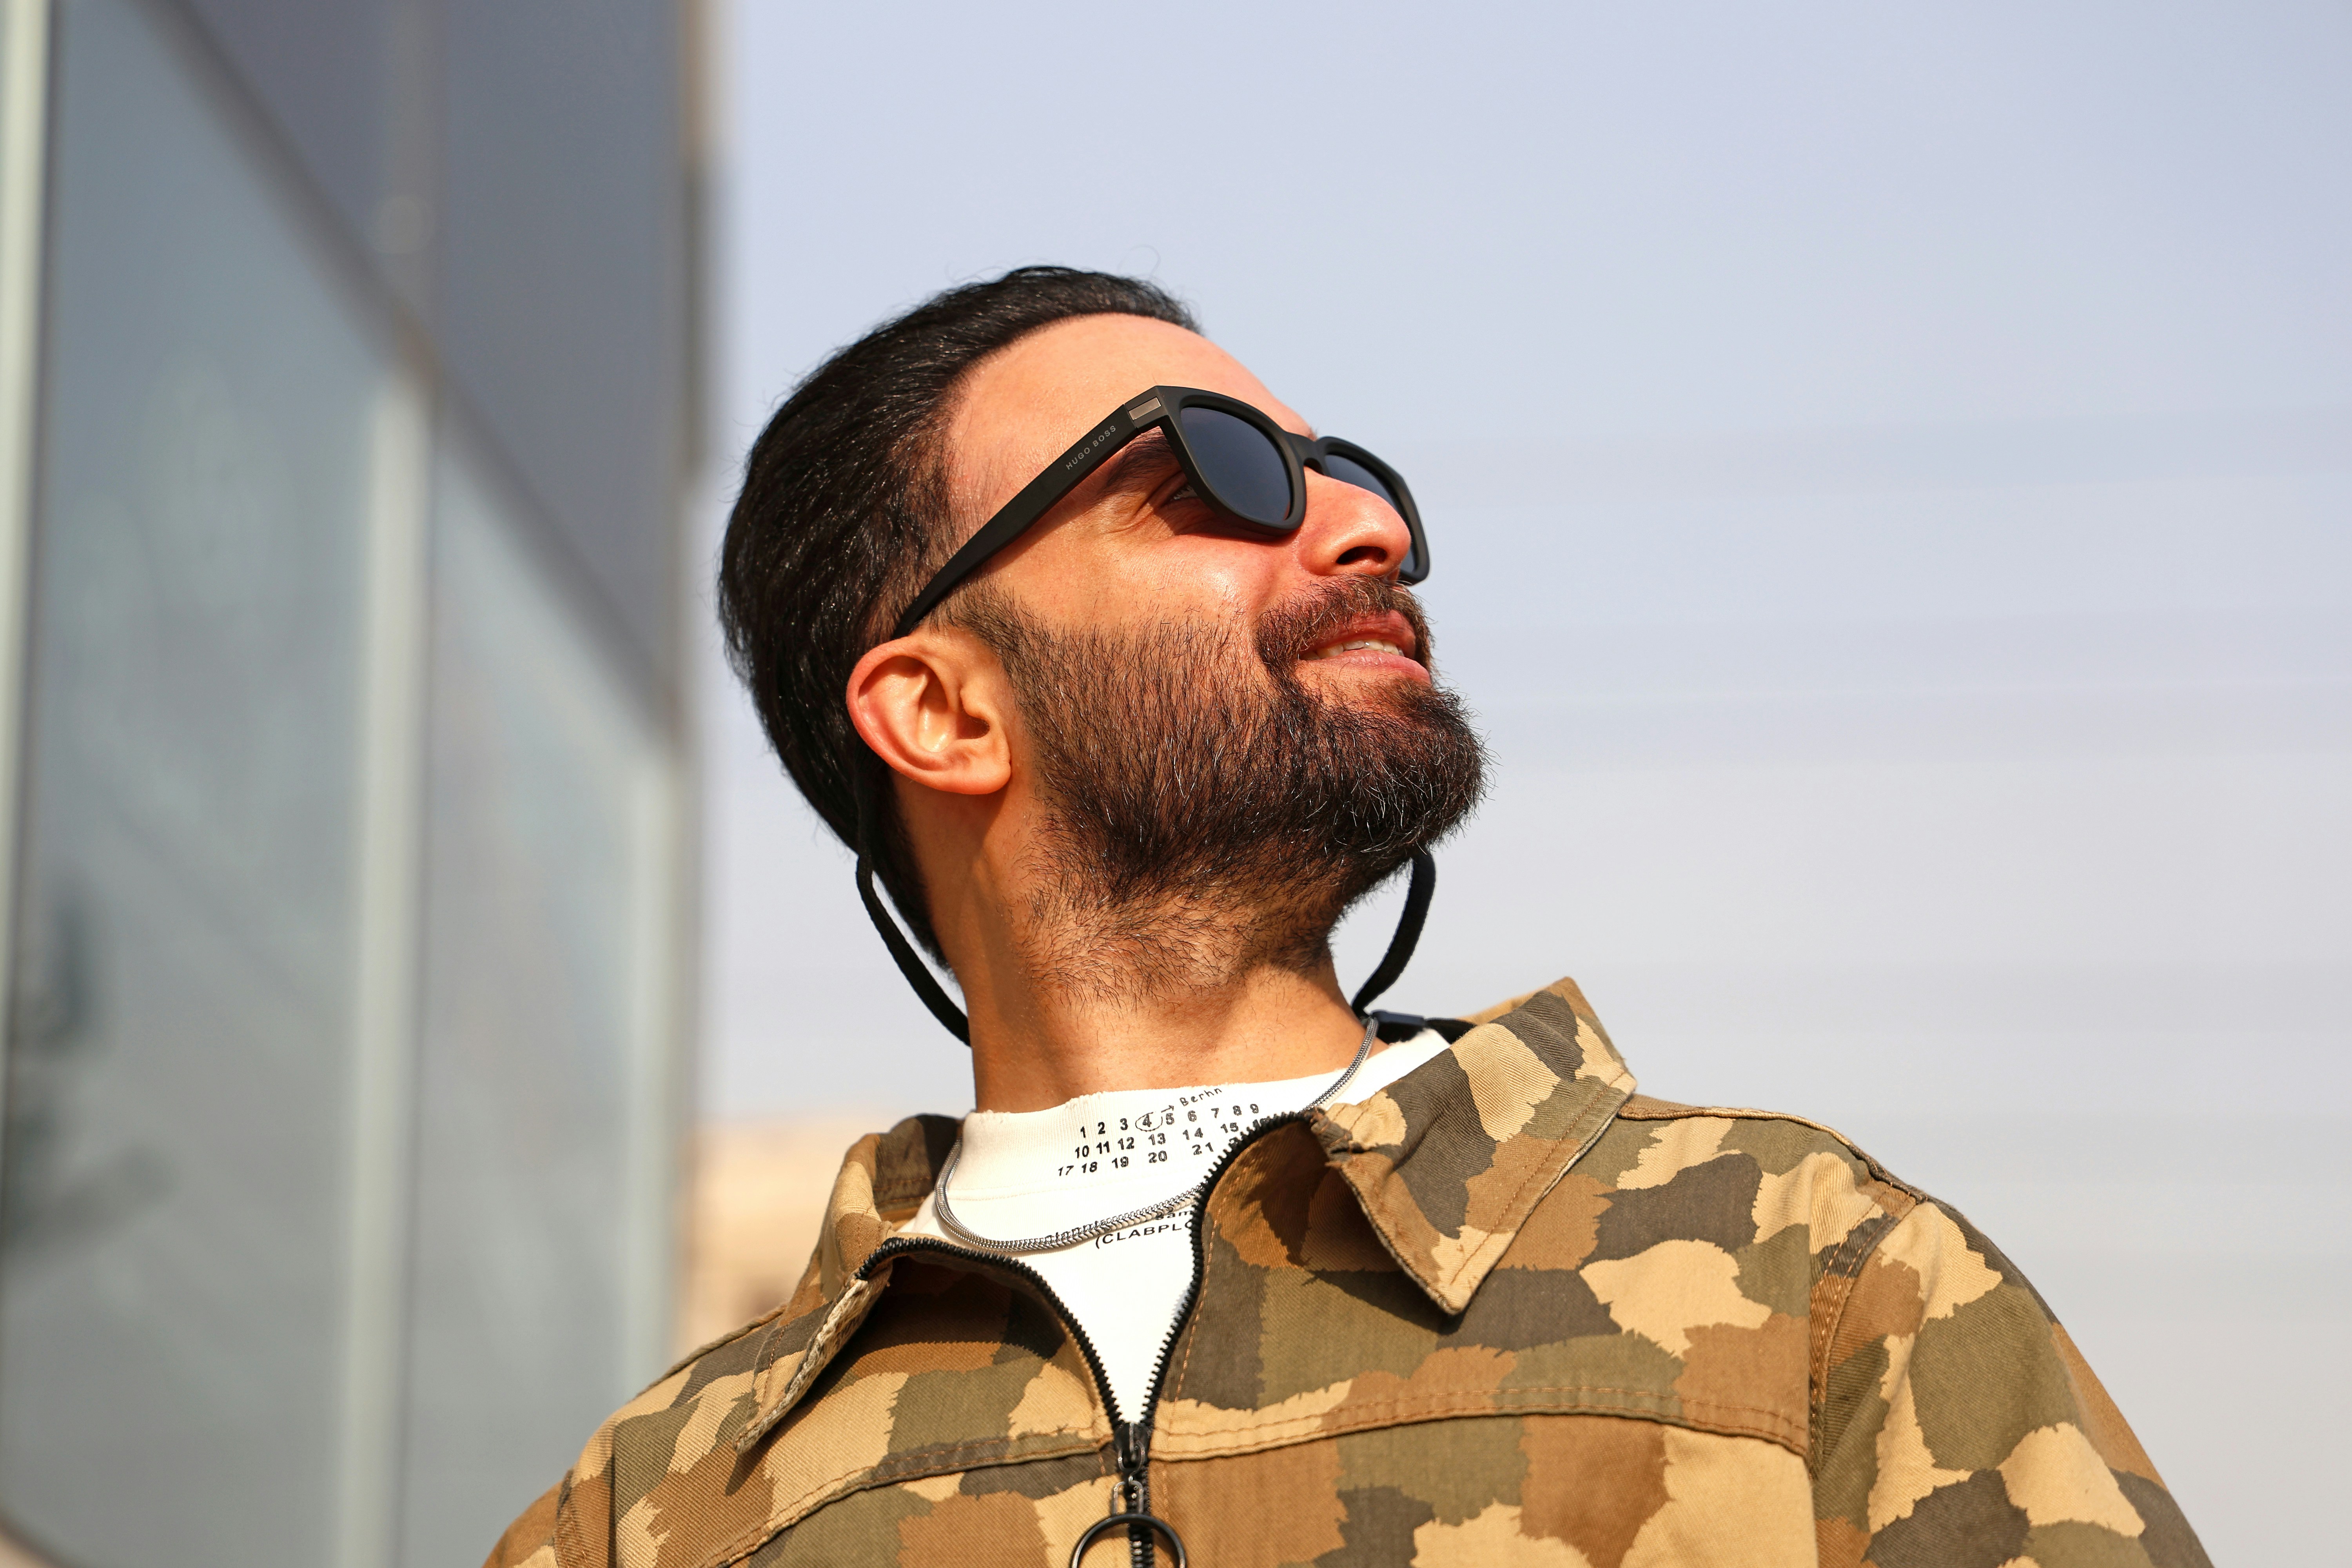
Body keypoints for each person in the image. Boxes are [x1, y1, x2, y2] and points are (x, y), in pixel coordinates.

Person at [487, 268, 2208, 1568]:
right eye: (1215, 472)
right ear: (941, 709)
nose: (1375, 528)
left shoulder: (1813, 1278)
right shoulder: (662, 1507)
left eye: (1351, 470)